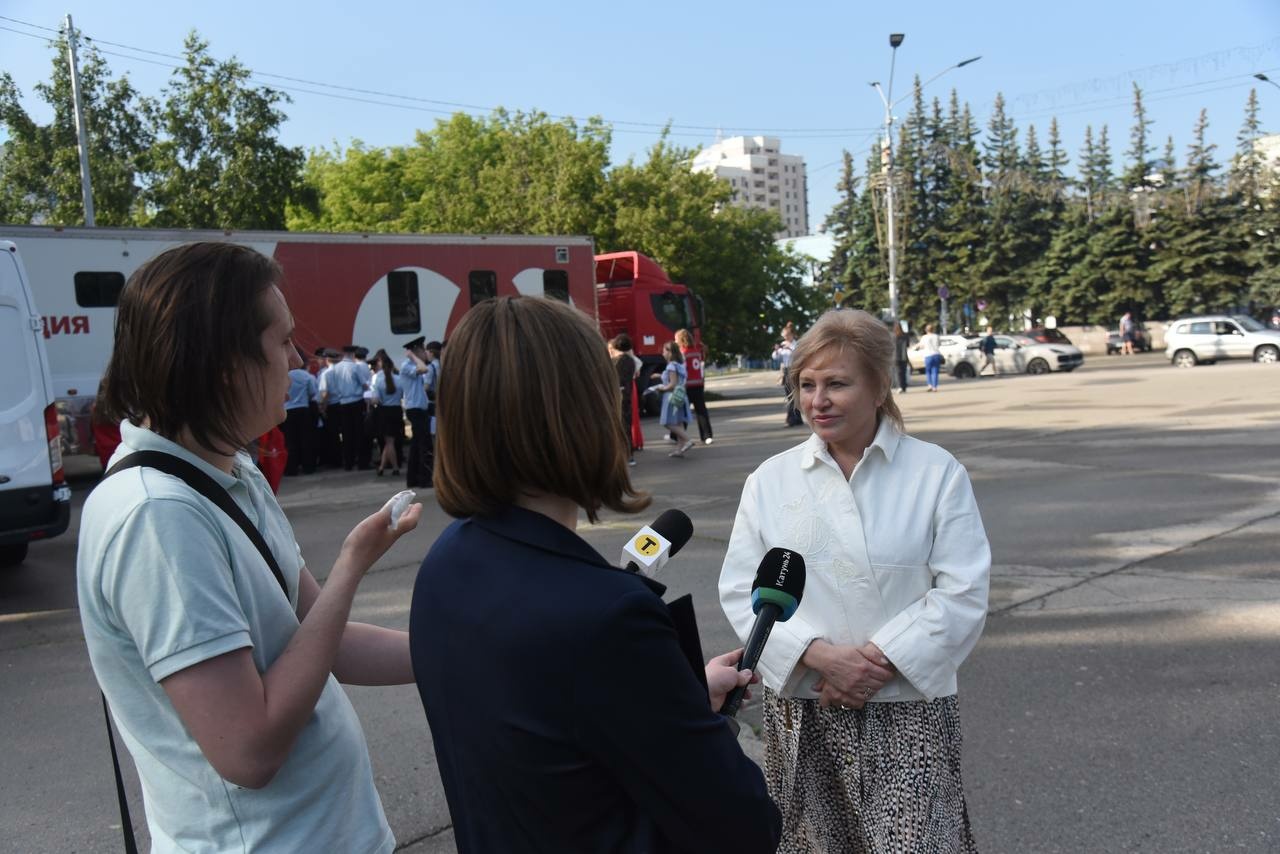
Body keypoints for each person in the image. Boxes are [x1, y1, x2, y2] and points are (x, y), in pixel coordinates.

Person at [77, 242, 424, 852]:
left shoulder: (228, 469)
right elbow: (248, 748)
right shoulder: (158, 516)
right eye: (281, 340)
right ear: (225, 367)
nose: (294, 362)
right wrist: (350, 568)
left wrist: (473, 648)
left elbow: (327, 643)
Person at [408, 295, 780, 854]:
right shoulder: (606, 616)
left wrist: (674, 701)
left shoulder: (447, 560)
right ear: (585, 416)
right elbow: (744, 826)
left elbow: (547, 730)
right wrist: (696, 726)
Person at [719, 308, 990, 854]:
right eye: (807, 384)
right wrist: (820, 657)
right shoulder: (770, 481)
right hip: (805, 706)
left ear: (879, 385)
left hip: (907, 705)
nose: (818, 400)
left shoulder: (935, 473)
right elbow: (741, 589)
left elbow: (963, 590)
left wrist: (873, 663)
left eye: (836, 383)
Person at [651, 340, 696, 458]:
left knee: (668, 423)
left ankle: (688, 440)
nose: (662, 353)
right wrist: (660, 376)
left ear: (670, 352)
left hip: (671, 397)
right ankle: (679, 450)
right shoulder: (679, 365)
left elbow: (672, 384)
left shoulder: (671, 366)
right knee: (679, 423)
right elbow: (677, 380)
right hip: (681, 396)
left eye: (664, 351)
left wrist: (661, 388)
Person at [400, 337, 433, 489]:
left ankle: (413, 479)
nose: (424, 352)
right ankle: (424, 479)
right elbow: (424, 369)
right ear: (415, 350)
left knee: (416, 446)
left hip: (419, 409)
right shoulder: (407, 365)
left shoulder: (412, 365)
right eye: (421, 349)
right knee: (424, 445)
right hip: (415, 410)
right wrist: (413, 356)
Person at [283, 346, 318, 476]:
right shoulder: (306, 376)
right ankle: (308, 467)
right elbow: (313, 393)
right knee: (306, 440)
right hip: (303, 409)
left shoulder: (285, 376)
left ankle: (292, 468)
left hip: (288, 410)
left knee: (290, 441)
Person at [675, 328, 714, 444]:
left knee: (682, 412)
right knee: (701, 411)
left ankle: (677, 434)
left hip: (687, 385)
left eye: (676, 339)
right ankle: (707, 435)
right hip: (698, 384)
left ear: (681, 340)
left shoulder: (682, 353)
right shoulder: (696, 351)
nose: (675, 341)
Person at [370, 349, 403, 477]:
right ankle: (382, 467)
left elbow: (375, 399)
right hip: (396, 410)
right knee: (391, 440)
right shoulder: (399, 378)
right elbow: (402, 395)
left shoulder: (377, 379)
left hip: (384, 411)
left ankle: (394, 467)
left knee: (389, 442)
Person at [608, 335, 637, 466]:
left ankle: (620, 454)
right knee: (627, 425)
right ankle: (629, 454)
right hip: (627, 395)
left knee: (617, 425)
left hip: (616, 396)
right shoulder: (631, 361)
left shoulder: (614, 362)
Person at [773, 321, 802, 425]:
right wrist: (777, 351)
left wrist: (789, 348)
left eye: (787, 336)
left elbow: (799, 355)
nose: (785, 338)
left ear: (791, 335)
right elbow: (776, 357)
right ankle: (797, 419)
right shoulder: (783, 344)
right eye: (784, 336)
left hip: (794, 369)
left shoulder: (796, 344)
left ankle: (791, 419)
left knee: (793, 395)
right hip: (786, 370)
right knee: (790, 395)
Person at [921, 322, 943, 391]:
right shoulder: (936, 336)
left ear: (926, 330)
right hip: (936, 354)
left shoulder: (924, 337)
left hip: (928, 355)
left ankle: (929, 385)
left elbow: (921, 346)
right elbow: (939, 344)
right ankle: (935, 387)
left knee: (928, 371)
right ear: (933, 329)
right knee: (935, 371)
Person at [893, 322, 911, 393]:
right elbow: (908, 345)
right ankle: (904, 387)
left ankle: (899, 386)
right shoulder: (905, 335)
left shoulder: (893, 336)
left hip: (895, 357)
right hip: (904, 356)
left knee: (898, 373)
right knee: (904, 372)